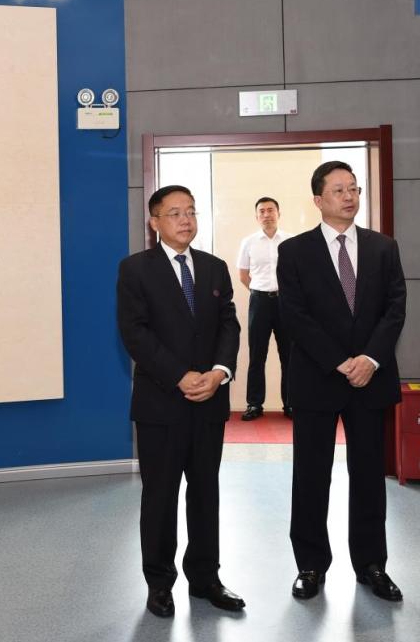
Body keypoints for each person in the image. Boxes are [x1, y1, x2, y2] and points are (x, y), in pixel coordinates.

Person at [276, 161, 406, 602]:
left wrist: (369, 358)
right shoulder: (294, 251)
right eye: (338, 190)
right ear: (318, 199)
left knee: (368, 476)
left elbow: (395, 308)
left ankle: (372, 565)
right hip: (317, 378)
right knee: (311, 476)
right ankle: (310, 565)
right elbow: (295, 316)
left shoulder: (383, 247)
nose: (349, 196)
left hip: (370, 379)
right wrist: (339, 362)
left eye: (354, 188)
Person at [116, 185, 245, 618]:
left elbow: (229, 326)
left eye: (191, 211)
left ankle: (206, 578)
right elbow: (135, 333)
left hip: (210, 400)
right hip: (161, 405)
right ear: (154, 222)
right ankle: (159, 583)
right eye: (174, 213)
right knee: (160, 496)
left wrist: (219, 372)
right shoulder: (135, 270)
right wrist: (179, 375)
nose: (186, 220)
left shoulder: (213, 268)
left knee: (206, 492)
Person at [237, 197, 293, 420]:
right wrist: (259, 291)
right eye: (262, 211)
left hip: (285, 303)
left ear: (279, 213)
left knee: (289, 355)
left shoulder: (290, 241)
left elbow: (297, 274)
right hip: (259, 301)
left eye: (271, 210)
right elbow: (243, 274)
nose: (267, 214)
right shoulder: (248, 242)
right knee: (256, 355)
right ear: (257, 216)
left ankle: (290, 404)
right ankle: (254, 404)